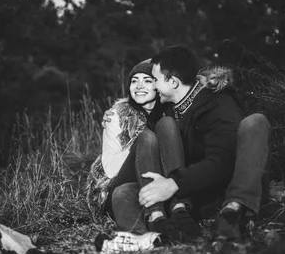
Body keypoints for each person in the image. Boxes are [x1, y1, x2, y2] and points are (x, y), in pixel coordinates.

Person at [98, 46, 271, 243]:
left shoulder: (220, 105)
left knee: (256, 121)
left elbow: (222, 162)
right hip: (188, 190)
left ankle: (231, 215)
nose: (152, 86)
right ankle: (148, 239)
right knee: (123, 193)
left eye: (154, 80)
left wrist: (174, 184)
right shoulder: (168, 108)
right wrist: (117, 114)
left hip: (211, 187)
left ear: (173, 82)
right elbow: (145, 122)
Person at [88, 59, 169, 235]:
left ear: (159, 85)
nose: (139, 86)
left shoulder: (170, 114)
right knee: (146, 137)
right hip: (119, 180)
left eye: (147, 80)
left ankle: (147, 236)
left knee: (124, 194)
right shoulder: (117, 116)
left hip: (152, 187)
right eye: (134, 80)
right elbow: (110, 168)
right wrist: (140, 146)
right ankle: (155, 214)